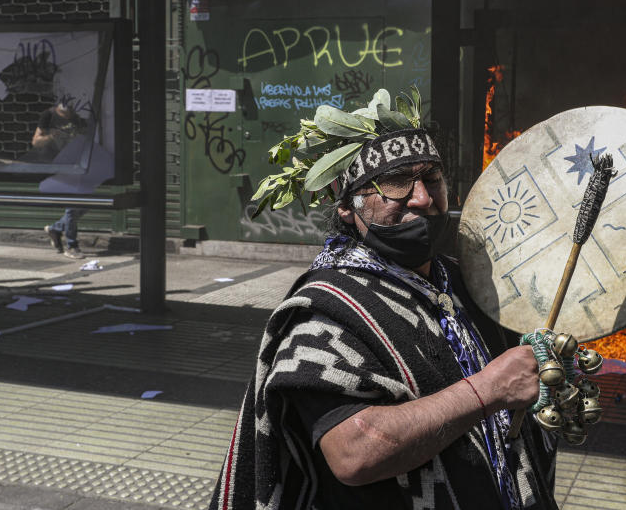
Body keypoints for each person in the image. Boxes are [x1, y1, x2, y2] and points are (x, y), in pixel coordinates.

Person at [211, 112, 559, 509]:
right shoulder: (325, 310)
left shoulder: (470, 282)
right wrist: (489, 389)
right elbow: (353, 452)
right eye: (395, 184)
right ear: (348, 205)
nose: (423, 199)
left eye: (432, 179)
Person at [32, 98, 87, 260]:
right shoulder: (48, 116)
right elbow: (36, 142)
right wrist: (52, 136)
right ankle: (72, 245)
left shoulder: (77, 116)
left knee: (86, 205)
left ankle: (55, 229)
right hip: (57, 165)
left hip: (77, 164)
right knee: (72, 205)